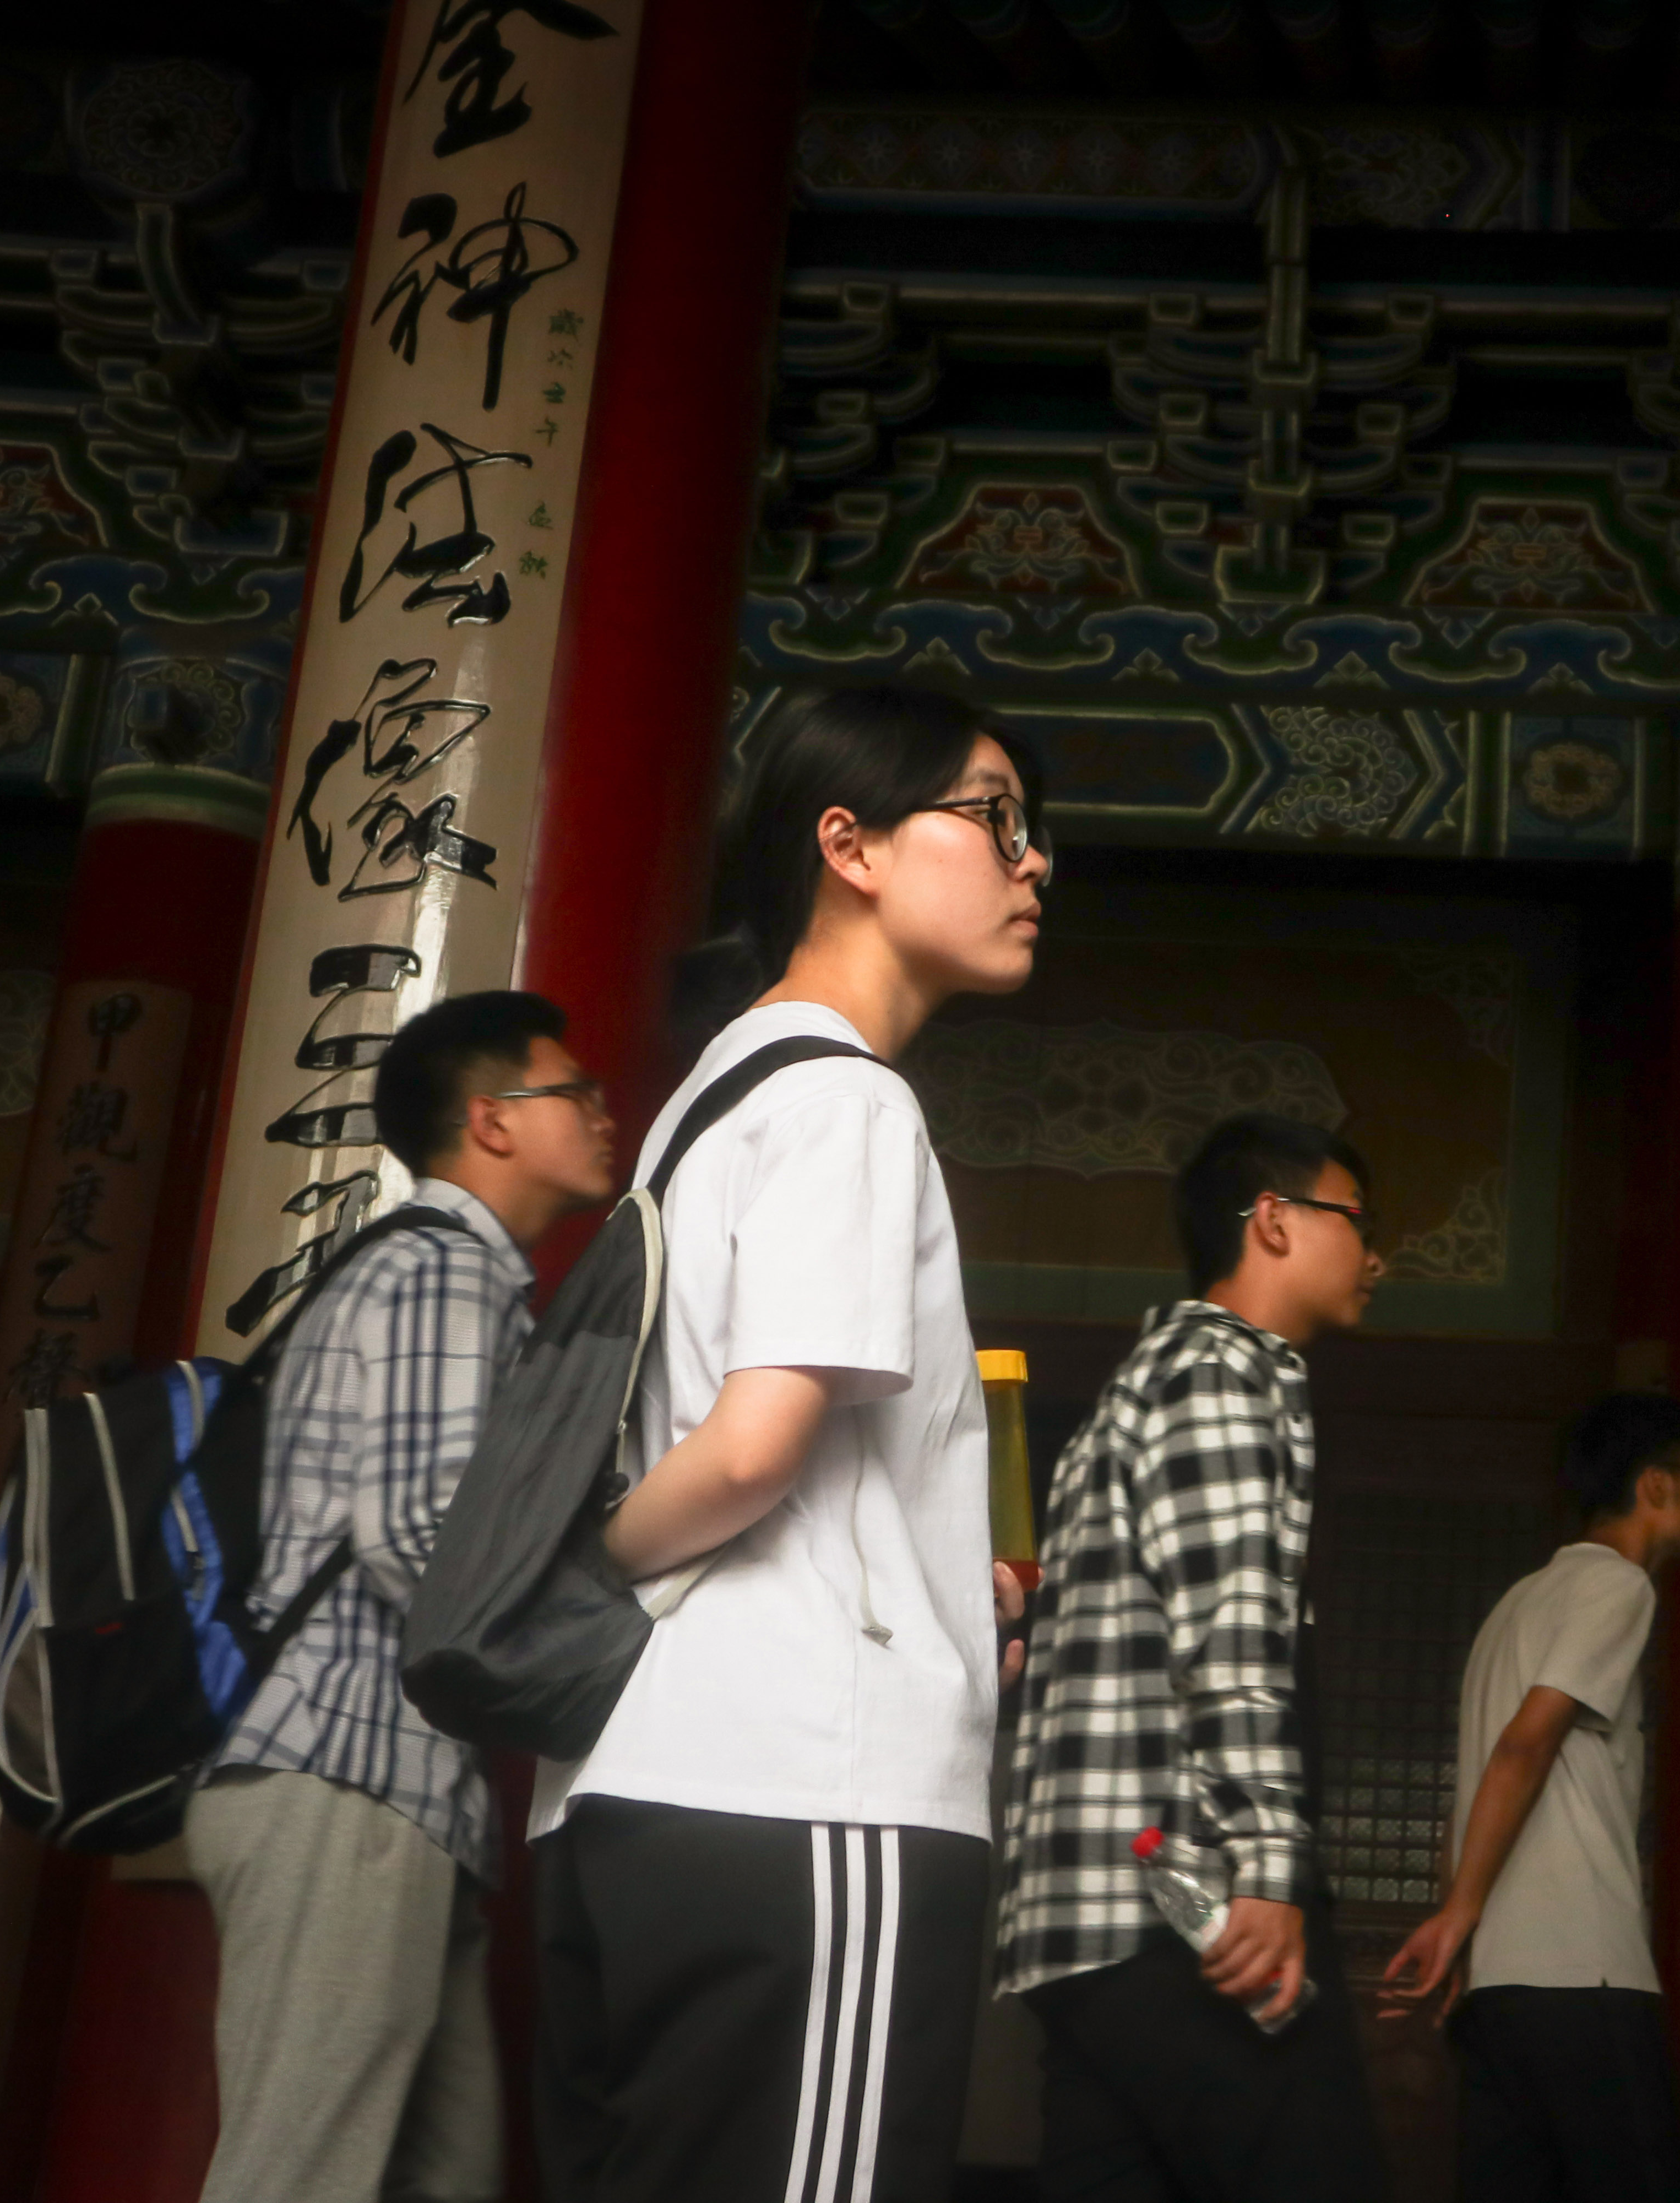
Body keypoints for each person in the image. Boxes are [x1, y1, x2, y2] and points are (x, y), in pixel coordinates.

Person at [528, 683, 1048, 2203]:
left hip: (626, 1791)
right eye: (994, 815)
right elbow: (755, 1448)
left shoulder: (704, 1102)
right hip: (811, 1784)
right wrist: (590, 1559)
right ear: (851, 844)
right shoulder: (845, 1099)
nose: (1034, 860)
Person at [190, 988, 617, 2203]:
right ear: (492, 1121)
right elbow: (420, 1536)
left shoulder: (441, 1271)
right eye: (576, 1092)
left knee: (442, 2172)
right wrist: (607, 1665)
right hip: (345, 1771)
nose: (604, 1112)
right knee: (300, 2174)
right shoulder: (440, 1269)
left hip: (393, 1787)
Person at [1000, 1111, 1393, 2202]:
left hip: (1084, 1917)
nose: (1376, 1256)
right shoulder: (1222, 1369)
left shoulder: (1146, 1377)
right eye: (1357, 1220)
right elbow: (1233, 1631)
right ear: (1274, 1220)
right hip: (1184, 1908)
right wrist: (1267, 1864)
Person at [1380, 1390, 1680, 2203]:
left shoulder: (1517, 1603)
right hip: (1581, 1968)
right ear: (1658, 1484)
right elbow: (1524, 1746)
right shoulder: (1619, 1587)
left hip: (1500, 1985)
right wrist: (1457, 1916)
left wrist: (1464, 1928)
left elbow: (1474, 1786)